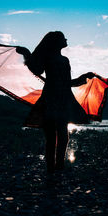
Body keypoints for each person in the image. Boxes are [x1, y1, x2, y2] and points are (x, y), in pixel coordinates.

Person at [17, 31, 95, 173]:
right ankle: (51, 168)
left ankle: (59, 166)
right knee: (52, 136)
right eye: (62, 37)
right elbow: (35, 69)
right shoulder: (48, 58)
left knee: (63, 135)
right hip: (51, 98)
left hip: (64, 98)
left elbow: (67, 82)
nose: (66, 39)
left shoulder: (65, 60)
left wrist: (84, 77)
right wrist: (26, 53)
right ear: (55, 42)